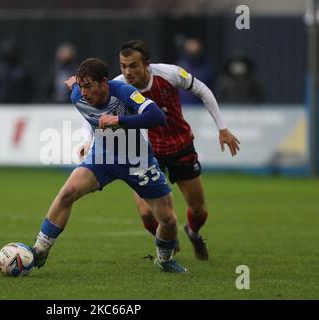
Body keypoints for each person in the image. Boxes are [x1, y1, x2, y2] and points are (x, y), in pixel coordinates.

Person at [79, 40, 240, 261]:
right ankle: (168, 243)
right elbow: (93, 111)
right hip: (145, 154)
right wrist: (87, 140)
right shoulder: (117, 86)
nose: (127, 71)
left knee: (200, 211)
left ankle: (193, 233)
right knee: (146, 214)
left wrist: (222, 128)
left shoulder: (169, 73)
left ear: (147, 64)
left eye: (133, 65)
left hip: (180, 145)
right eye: (123, 66)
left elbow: (202, 90)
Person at [31, 58, 188, 273]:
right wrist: (76, 86)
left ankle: (164, 259)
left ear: (104, 82)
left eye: (88, 86)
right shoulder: (77, 96)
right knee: (67, 193)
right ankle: (39, 249)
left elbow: (157, 117)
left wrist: (119, 120)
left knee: (168, 220)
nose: (84, 92)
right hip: (103, 157)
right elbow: (81, 96)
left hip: (137, 161)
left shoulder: (124, 92)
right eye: (81, 86)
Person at [176, 38, 215, 105]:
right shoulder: (179, 67)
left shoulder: (206, 70)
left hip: (201, 108)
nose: (193, 53)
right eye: (190, 51)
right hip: (182, 106)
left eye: (196, 51)